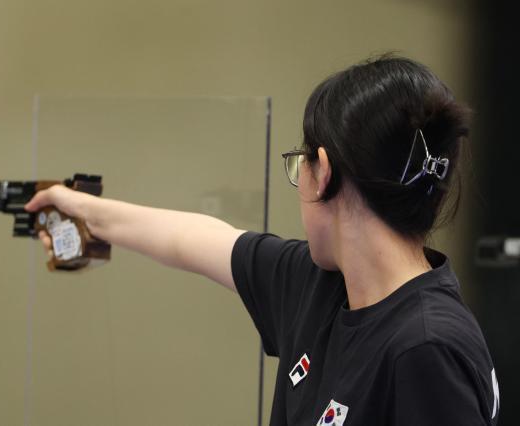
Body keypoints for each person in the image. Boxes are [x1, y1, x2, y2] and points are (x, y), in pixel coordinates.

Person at [25, 56, 500, 425]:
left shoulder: (426, 347)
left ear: (324, 172)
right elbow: (196, 239)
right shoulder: (322, 285)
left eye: (301, 166)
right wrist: (83, 211)